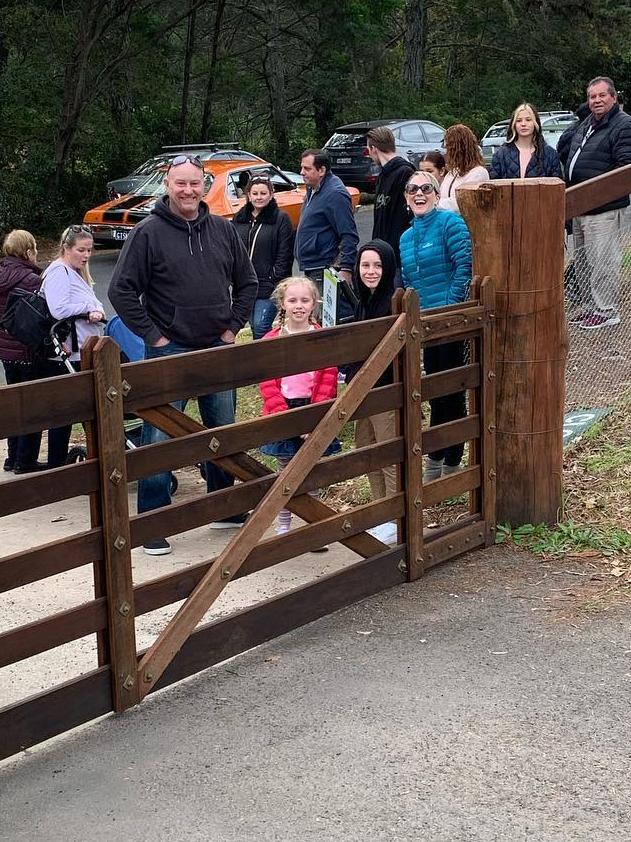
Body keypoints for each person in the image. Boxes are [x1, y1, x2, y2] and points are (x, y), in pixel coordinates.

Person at [109, 154, 258, 555]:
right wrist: (154, 338)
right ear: (168, 184)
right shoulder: (148, 233)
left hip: (215, 348)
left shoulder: (223, 231)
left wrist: (231, 330)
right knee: (159, 437)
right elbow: (120, 290)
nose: (188, 191)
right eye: (181, 184)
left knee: (221, 429)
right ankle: (153, 522)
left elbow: (247, 282)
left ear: (205, 184)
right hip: (169, 350)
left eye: (195, 183)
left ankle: (224, 506)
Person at [399, 170, 472, 481]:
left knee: (451, 391)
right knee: (433, 391)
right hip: (425, 324)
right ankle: (439, 456)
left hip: (450, 320)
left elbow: (464, 265)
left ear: (436, 193)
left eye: (425, 188)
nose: (419, 193)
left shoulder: (450, 223)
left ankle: (446, 459)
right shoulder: (405, 237)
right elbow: (408, 280)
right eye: (412, 189)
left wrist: (449, 303)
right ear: (406, 197)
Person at [259, 277, 339, 543]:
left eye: (305, 300)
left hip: (311, 406)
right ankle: (284, 525)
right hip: (283, 409)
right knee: (286, 473)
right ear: (282, 303)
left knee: (311, 472)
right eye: (292, 300)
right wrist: (284, 417)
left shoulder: (321, 337)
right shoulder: (271, 340)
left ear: (314, 304)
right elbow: (267, 381)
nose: (299, 306)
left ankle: (312, 526)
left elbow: (328, 378)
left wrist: (314, 417)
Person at [559, 76, 631, 329]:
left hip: (604, 207)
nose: (596, 100)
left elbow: (624, 169)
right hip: (580, 204)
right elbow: (567, 151)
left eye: (602, 95)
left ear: (613, 97)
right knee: (583, 260)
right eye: (592, 97)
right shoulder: (587, 123)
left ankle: (606, 309)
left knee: (602, 259)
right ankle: (590, 306)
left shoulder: (623, 125)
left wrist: (598, 191)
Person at [40, 225, 106, 469]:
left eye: (89, 250)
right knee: (64, 415)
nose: (86, 255)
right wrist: (88, 312)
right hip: (69, 353)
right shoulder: (59, 272)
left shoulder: (75, 272)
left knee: (72, 413)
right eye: (81, 250)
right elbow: (58, 309)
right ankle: (56, 467)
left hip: (83, 348)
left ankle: (63, 465)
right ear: (66, 248)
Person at [347, 239, 397, 501]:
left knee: (387, 454)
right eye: (365, 265)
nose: (370, 271)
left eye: (378, 265)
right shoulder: (362, 302)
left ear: (387, 268)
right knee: (367, 451)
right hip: (362, 389)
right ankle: (380, 509)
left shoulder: (391, 302)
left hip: (384, 390)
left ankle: (394, 514)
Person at [0, 230, 45, 473]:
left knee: (15, 402)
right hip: (26, 349)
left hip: (6, 350)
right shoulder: (31, 280)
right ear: (28, 251)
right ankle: (25, 460)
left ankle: (12, 456)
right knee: (32, 406)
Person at [294, 149, 359, 317]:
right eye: (302, 168)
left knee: (334, 316)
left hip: (326, 269)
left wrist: (345, 268)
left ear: (321, 170)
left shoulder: (335, 193)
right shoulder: (312, 189)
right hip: (312, 267)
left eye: (307, 169)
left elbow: (349, 234)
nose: (302, 172)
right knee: (318, 317)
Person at [232, 175, 294, 339]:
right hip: (244, 285)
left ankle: (265, 361)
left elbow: (285, 253)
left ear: (271, 194)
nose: (259, 197)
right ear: (249, 195)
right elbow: (232, 249)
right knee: (252, 325)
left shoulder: (281, 219)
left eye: (263, 193)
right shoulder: (240, 219)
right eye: (255, 193)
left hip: (269, 286)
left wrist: (274, 278)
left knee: (261, 326)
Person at [367, 126, 415, 269]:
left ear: (374, 148)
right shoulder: (383, 175)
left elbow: (407, 217)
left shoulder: (405, 172)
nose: (368, 154)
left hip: (399, 256)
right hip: (381, 252)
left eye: (368, 150)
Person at [489, 103, 562, 179]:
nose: (523, 124)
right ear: (514, 124)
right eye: (519, 120)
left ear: (535, 123)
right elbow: (494, 186)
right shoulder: (501, 154)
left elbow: (557, 186)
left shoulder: (550, 154)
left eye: (528, 120)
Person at [439, 124, 489, 214]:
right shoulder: (452, 173)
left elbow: (462, 203)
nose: (446, 153)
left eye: (449, 149)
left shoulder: (479, 173)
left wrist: (434, 203)